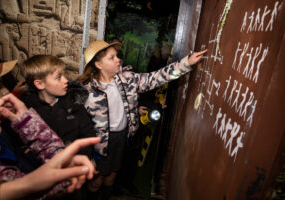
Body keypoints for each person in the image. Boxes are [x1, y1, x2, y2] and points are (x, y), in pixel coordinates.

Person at [77, 39, 207, 199]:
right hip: (100, 143)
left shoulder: (127, 79)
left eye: (116, 56)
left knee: (111, 177)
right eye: (111, 58)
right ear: (98, 65)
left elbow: (157, 77)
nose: (118, 59)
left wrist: (187, 62)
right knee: (97, 181)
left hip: (122, 137)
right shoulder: (86, 91)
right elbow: (77, 123)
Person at [0, 59, 101, 199]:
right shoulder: (27, 106)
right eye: (58, 77)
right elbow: (18, 149)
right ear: (39, 84)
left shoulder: (74, 104)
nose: (66, 80)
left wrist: (72, 158)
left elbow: (87, 134)